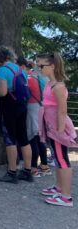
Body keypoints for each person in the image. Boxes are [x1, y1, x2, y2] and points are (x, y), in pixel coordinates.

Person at [36, 52, 76, 207]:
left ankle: (66, 197)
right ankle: (59, 188)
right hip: (51, 127)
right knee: (57, 158)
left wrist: (59, 132)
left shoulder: (58, 86)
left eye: (41, 66)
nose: (39, 68)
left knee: (62, 159)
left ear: (52, 66)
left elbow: (62, 111)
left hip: (57, 129)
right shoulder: (50, 83)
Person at [0, 46, 33, 184]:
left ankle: (12, 172)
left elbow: (3, 92)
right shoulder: (20, 70)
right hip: (22, 106)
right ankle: (27, 171)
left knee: (10, 139)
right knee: (24, 138)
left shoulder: (2, 70)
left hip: (8, 107)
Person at [17, 56, 50, 177]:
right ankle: (44, 166)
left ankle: (33, 168)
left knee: (32, 138)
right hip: (41, 107)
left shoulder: (29, 79)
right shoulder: (41, 78)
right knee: (40, 138)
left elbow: (24, 94)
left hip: (32, 108)